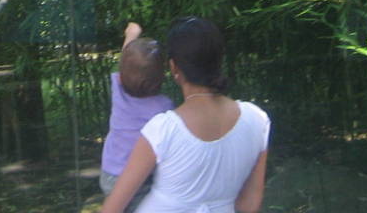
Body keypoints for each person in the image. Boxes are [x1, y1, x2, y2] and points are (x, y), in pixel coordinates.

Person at [101, 16, 270, 213]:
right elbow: (250, 203)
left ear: (173, 68)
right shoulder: (257, 120)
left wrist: (130, 36)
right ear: (219, 60)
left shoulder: (163, 129)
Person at [101, 22, 176, 207]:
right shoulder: (164, 107)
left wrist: (131, 34)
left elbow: (125, 64)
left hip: (110, 175)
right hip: (142, 180)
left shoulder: (118, 92)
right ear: (162, 76)